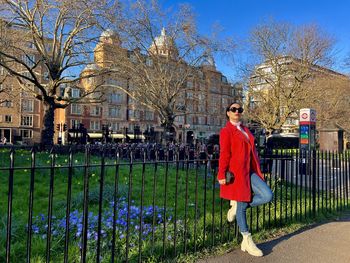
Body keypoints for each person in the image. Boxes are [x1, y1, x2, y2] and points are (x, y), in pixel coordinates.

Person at [217, 102, 273, 257]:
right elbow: (224, 154)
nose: (237, 111)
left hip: (250, 171)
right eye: (233, 109)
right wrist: (221, 174)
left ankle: (236, 208)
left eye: (239, 109)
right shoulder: (226, 131)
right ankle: (247, 240)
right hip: (237, 174)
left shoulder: (245, 129)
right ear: (228, 112)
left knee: (267, 195)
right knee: (242, 204)